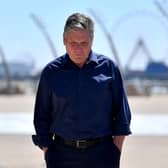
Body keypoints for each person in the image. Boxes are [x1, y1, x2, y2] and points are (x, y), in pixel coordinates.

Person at [32, 12, 131, 168]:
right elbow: (41, 116)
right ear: (64, 41)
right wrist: (48, 151)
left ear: (92, 41)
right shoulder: (51, 73)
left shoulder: (109, 68)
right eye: (73, 43)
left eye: (84, 43)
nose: (78, 49)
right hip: (61, 156)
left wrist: (115, 151)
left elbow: (122, 115)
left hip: (103, 155)